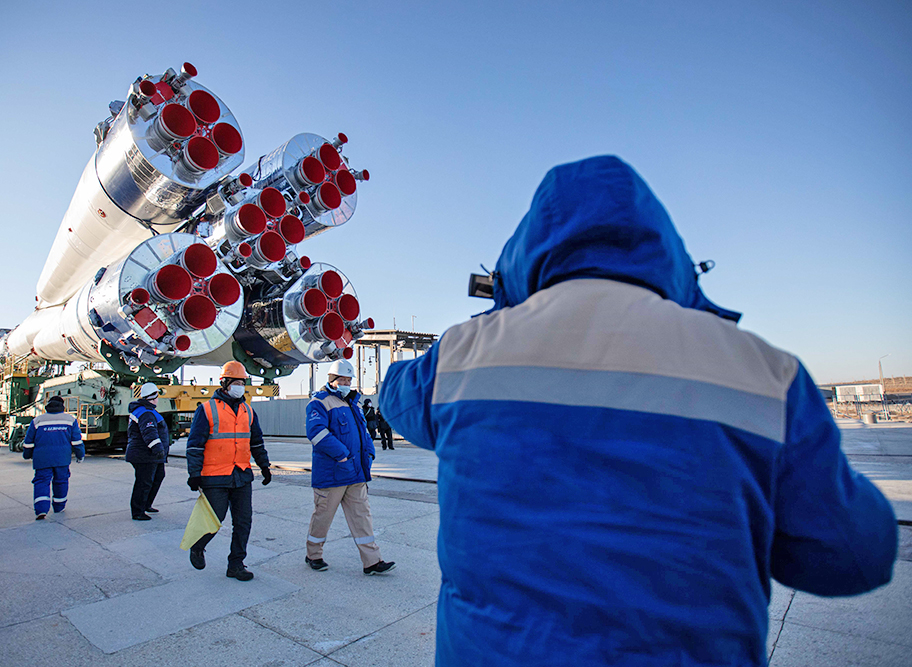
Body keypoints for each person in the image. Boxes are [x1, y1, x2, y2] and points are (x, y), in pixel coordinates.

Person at [379, 156, 898, 666]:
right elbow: (855, 557)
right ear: (667, 253)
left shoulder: (463, 356)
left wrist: (505, 306)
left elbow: (393, 393)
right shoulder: (764, 371)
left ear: (526, 253)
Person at [305, 359, 395, 575]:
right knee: (323, 517)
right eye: (342, 379)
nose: (346, 383)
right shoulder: (319, 402)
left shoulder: (353, 403)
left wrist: (370, 454)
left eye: (349, 379)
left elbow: (363, 434)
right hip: (333, 473)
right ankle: (313, 555)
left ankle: (372, 561)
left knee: (362, 517)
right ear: (332, 381)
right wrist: (342, 455)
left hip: (356, 473)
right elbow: (316, 433)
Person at [185, 361, 273, 581]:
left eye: (242, 382)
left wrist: (264, 466)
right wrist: (194, 473)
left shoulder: (248, 411)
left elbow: (256, 443)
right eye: (235, 382)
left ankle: (236, 564)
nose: (239, 386)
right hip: (214, 476)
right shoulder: (206, 410)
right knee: (215, 519)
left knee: (243, 521)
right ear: (224, 383)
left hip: (241, 475)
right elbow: (195, 445)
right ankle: (198, 546)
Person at [23, 395, 84, 520]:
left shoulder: (37, 420)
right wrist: (80, 455)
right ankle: (59, 507)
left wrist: (27, 455)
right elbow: (77, 441)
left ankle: (41, 509)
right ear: (63, 406)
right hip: (62, 458)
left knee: (41, 481)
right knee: (61, 481)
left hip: (42, 458)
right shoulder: (70, 420)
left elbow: (28, 442)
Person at [126, 382, 169, 521]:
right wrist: (158, 449)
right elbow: (149, 432)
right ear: (154, 396)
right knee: (144, 482)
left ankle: (146, 504)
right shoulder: (146, 413)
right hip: (145, 455)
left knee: (157, 477)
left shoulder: (145, 410)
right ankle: (138, 511)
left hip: (150, 455)